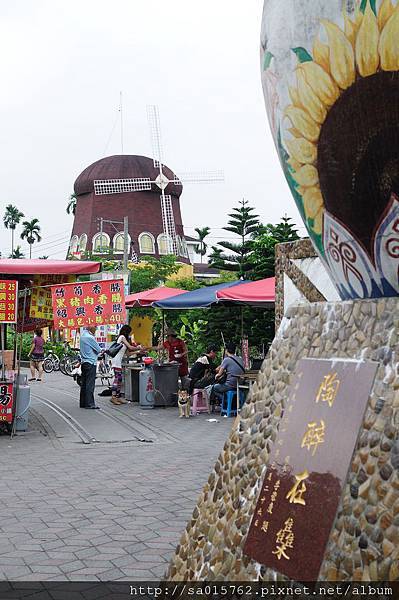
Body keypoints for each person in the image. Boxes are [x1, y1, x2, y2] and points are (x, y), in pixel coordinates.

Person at [110, 325, 144, 405]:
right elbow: (131, 347)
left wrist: (138, 352)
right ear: (126, 331)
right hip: (116, 361)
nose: (129, 334)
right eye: (129, 332)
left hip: (118, 361)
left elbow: (128, 353)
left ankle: (117, 397)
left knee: (119, 379)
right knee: (117, 379)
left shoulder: (123, 340)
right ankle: (113, 397)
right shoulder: (122, 337)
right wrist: (139, 347)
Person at [205, 342, 245, 407]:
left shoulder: (226, 360)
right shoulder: (240, 359)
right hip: (239, 385)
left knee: (213, 388)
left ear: (226, 350)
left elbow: (219, 374)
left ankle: (226, 402)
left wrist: (216, 376)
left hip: (230, 385)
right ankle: (229, 402)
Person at [79, 326, 103, 409]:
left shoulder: (82, 336)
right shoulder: (90, 338)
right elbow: (99, 350)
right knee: (90, 384)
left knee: (84, 384)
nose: (96, 329)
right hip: (91, 362)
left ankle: (83, 403)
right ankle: (90, 404)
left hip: (84, 363)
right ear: (91, 328)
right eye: (95, 328)